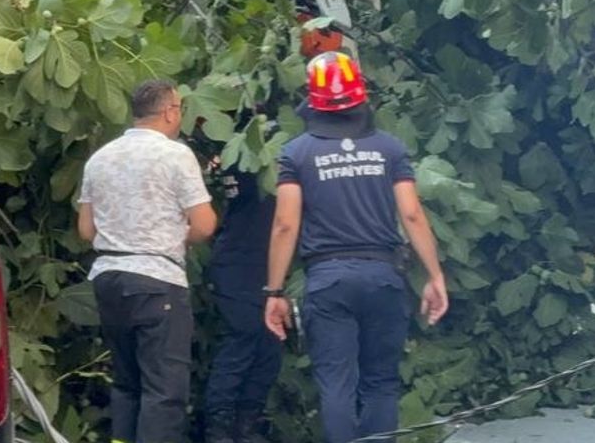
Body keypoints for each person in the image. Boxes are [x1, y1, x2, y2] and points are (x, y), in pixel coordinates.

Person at [263, 52, 449, 443]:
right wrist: (434, 276)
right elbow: (412, 215)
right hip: (383, 277)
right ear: (361, 96)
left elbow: (285, 224)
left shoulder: (296, 153)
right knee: (380, 383)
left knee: (336, 385)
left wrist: (275, 291)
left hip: (328, 281)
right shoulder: (389, 148)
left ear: (311, 101)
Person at [77, 80, 219, 443]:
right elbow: (204, 224)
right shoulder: (175, 155)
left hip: (109, 279)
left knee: (127, 385)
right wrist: (175, 238)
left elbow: (86, 229)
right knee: (164, 392)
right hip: (157, 282)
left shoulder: (101, 157)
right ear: (171, 111)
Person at [204, 132, 282, 443]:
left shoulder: (236, 154)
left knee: (268, 348)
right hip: (240, 263)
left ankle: (248, 427)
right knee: (244, 339)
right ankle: (219, 428)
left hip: (262, 263)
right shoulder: (247, 156)